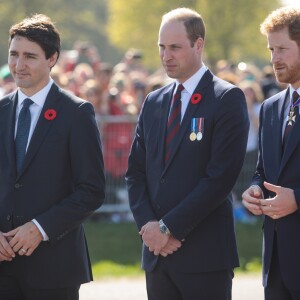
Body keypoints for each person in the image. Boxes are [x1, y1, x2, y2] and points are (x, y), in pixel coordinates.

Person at [126, 7, 249, 300]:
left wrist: (169, 228)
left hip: (204, 257)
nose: (166, 56)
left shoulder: (226, 98)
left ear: (198, 44)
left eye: (175, 47)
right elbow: (135, 172)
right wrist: (149, 229)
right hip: (157, 256)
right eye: (162, 48)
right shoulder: (154, 102)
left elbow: (219, 178)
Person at [0, 14, 105, 300]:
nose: (19, 65)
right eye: (14, 54)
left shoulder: (76, 113)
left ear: (52, 59)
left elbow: (92, 190)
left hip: (53, 268)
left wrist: (40, 228)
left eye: (30, 56)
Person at [242, 6, 300, 300]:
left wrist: (297, 199)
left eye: (282, 49)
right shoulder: (270, 107)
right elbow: (263, 170)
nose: (274, 59)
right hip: (275, 264)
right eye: (270, 49)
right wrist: (254, 189)